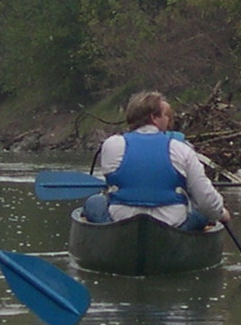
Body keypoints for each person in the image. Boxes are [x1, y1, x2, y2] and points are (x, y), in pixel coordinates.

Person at [80, 90, 227, 233]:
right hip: (172, 227)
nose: (168, 120)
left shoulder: (112, 145)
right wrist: (221, 213)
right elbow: (205, 200)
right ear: (153, 118)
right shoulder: (181, 148)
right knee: (202, 213)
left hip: (121, 223)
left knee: (94, 201)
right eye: (165, 115)